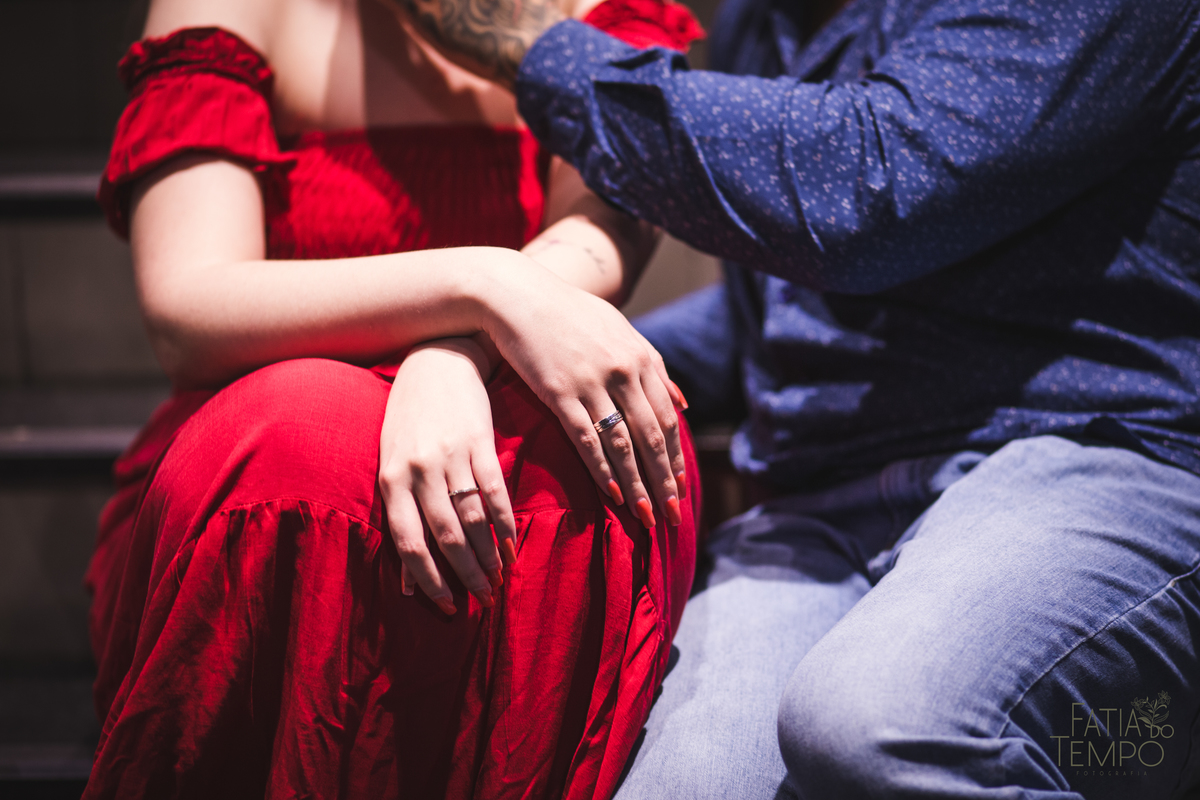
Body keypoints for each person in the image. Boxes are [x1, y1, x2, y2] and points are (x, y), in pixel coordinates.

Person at [404, 0, 1200, 797]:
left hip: (1092, 455)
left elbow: (869, 188)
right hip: (817, 507)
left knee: (882, 725)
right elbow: (773, 319)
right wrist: (506, 347)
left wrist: (532, 45)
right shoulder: (768, 17)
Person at [82, 0, 706, 797]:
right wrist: (481, 284)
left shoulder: (604, 10)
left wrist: (454, 350)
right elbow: (187, 307)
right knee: (290, 442)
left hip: (504, 389)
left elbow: (599, 234)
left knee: (580, 468)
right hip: (274, 413)